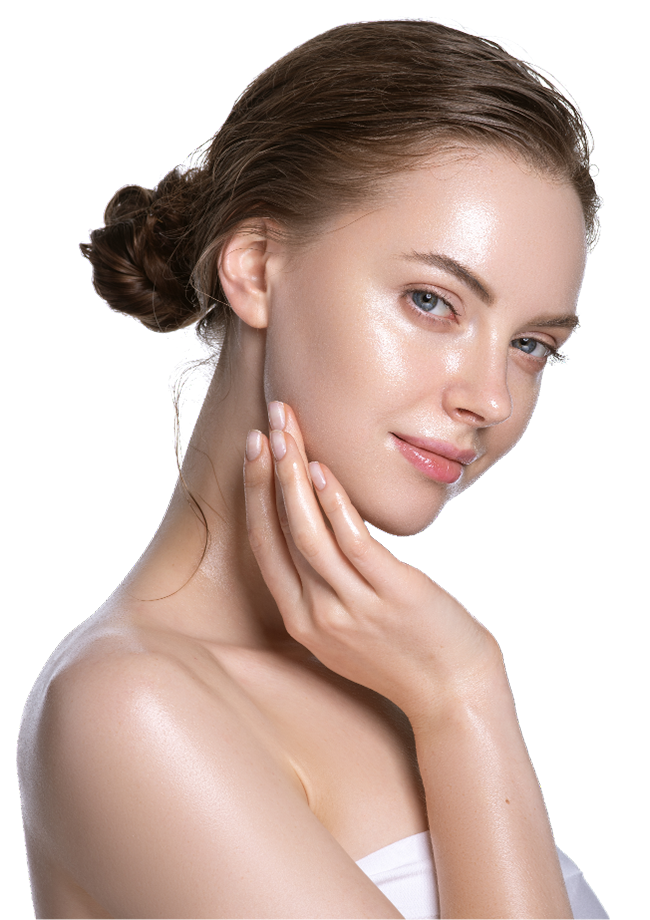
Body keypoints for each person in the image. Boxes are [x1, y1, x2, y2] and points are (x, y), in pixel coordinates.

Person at [17, 18, 608, 920]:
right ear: (256, 267)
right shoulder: (129, 708)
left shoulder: (388, 661)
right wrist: (465, 696)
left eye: (531, 345)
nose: (490, 398)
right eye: (432, 301)